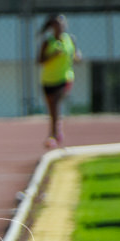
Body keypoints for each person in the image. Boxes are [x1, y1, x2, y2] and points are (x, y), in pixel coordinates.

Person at [37, 14, 81, 148]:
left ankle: (53, 134)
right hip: (49, 79)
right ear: (52, 26)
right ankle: (57, 130)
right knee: (52, 108)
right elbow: (39, 61)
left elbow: (76, 56)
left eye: (62, 24)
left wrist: (77, 57)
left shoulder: (70, 40)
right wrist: (53, 55)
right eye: (56, 24)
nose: (60, 26)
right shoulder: (47, 42)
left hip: (65, 77)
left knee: (56, 103)